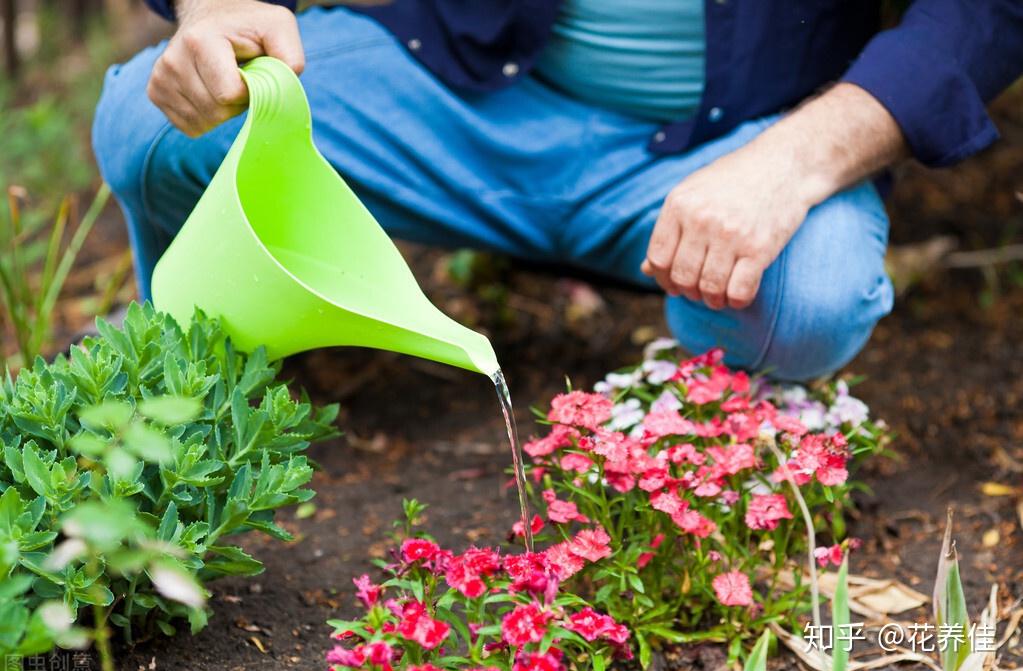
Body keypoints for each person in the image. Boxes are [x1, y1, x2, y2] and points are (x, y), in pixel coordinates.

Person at [92, 0, 1023, 381]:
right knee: (154, 123)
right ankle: (237, 382)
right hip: (463, 90)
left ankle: (699, 435)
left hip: (741, 140)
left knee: (806, 303)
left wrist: (795, 161)